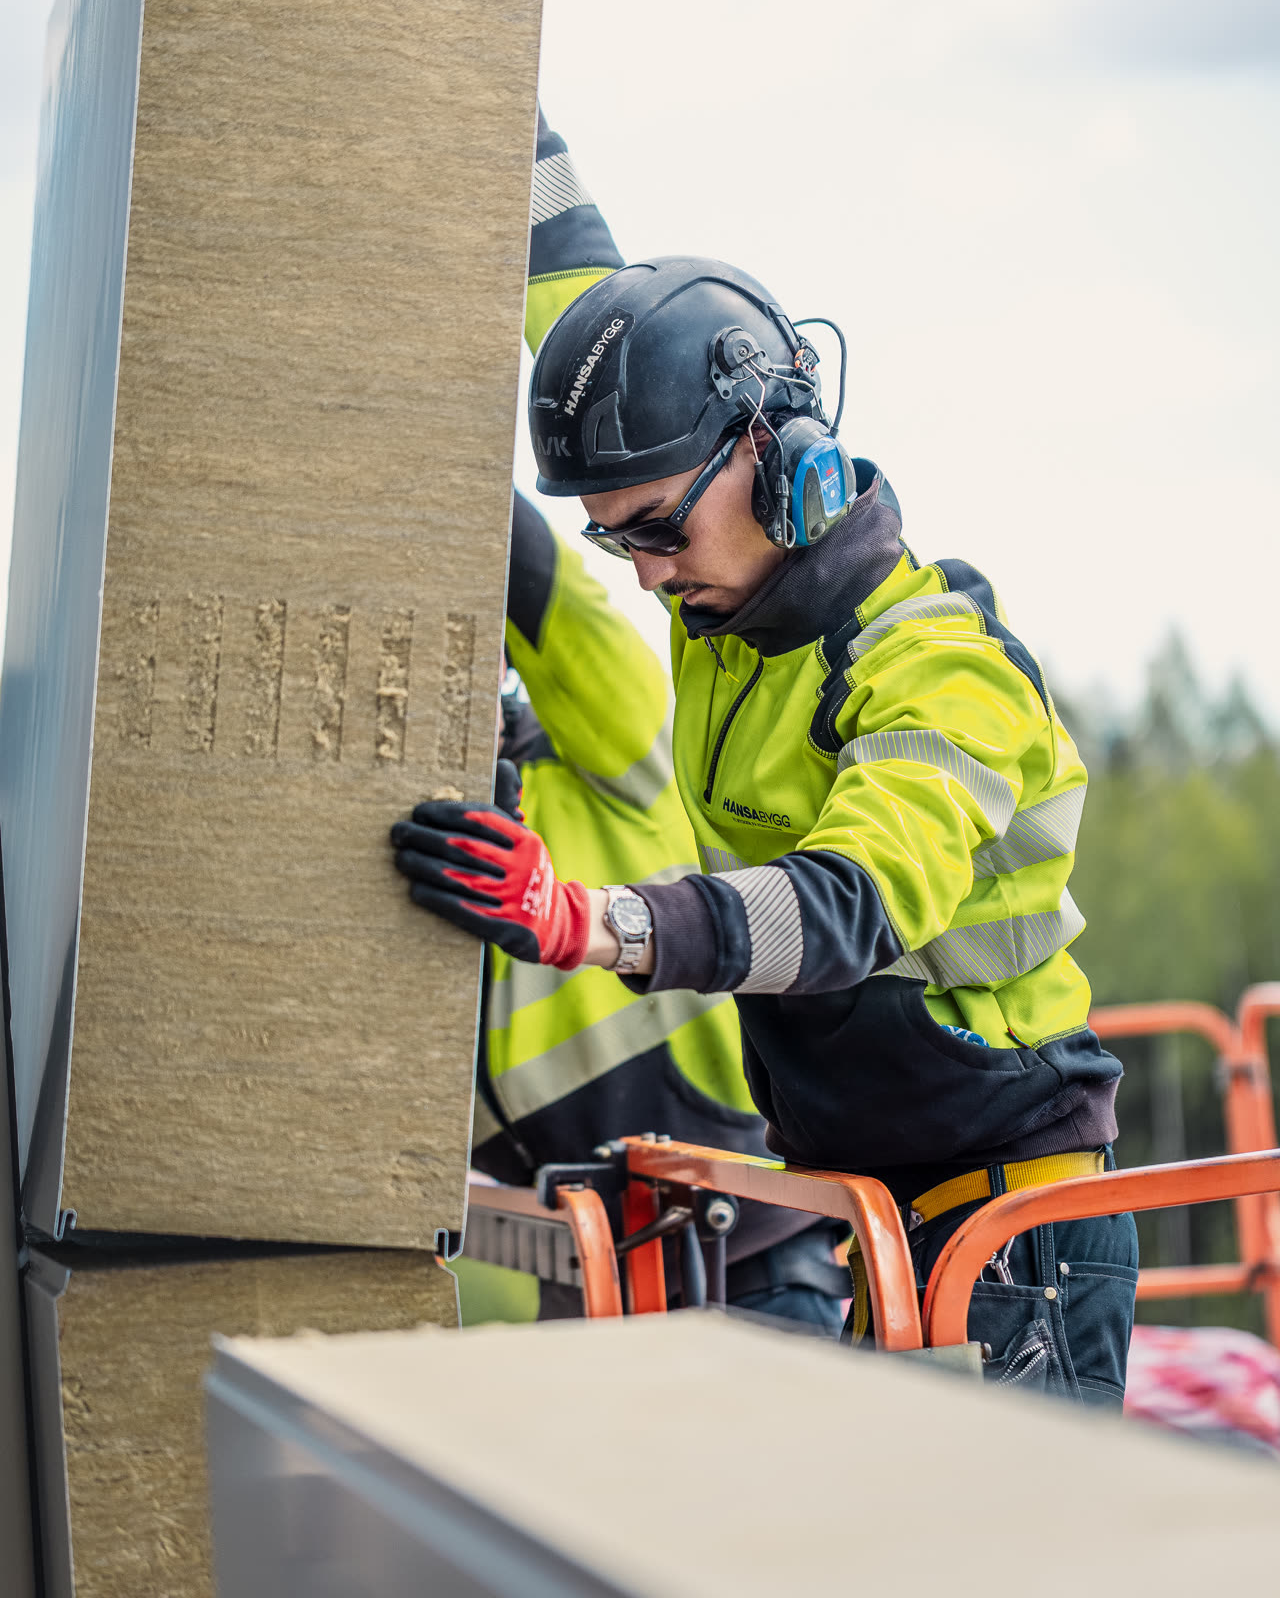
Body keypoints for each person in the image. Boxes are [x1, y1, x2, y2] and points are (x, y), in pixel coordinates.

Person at [393, 231, 1139, 1401]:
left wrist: (593, 922)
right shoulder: (731, 615)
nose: (641, 575)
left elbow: (845, 907)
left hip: (1011, 1241)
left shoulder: (939, 668)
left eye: (653, 530)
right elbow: (595, 305)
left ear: (774, 454)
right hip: (878, 1216)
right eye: (608, 535)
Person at [399, 115, 850, 1330]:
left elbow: (617, 362)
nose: (645, 569)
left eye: (651, 532)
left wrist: (380, 444)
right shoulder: (433, 834)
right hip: (581, 1259)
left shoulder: (606, 727)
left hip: (737, 1254)